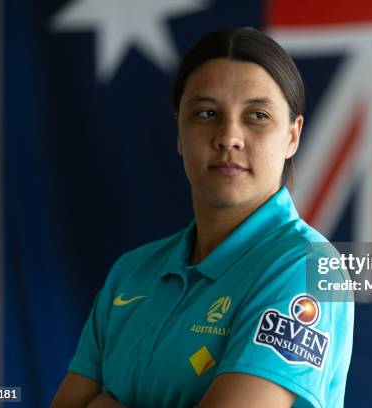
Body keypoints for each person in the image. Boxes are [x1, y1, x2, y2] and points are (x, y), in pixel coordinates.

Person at [51, 27, 354, 408]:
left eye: (257, 115)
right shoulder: (131, 272)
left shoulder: (307, 267)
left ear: (292, 136)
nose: (229, 136)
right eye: (206, 113)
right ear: (179, 132)